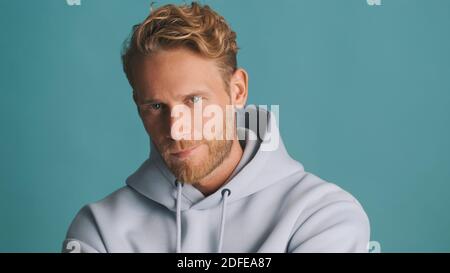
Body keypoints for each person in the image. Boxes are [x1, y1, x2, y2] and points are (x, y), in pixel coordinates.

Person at [62, 2, 370, 253]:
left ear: (237, 91)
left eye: (194, 101)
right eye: (156, 106)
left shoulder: (323, 216)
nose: (177, 130)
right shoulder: (99, 231)